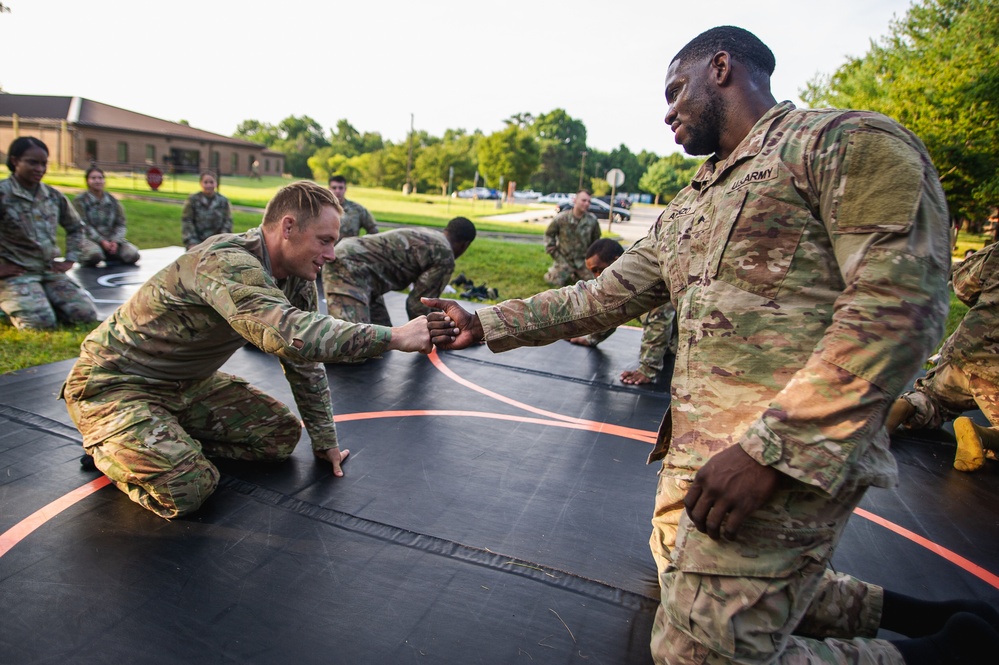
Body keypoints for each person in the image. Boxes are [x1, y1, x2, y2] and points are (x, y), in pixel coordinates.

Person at [425, 26, 999, 665]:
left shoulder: (844, 145)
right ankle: (925, 620)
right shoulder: (697, 199)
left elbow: (898, 311)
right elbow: (601, 296)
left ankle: (939, 656)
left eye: (675, 90)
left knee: (693, 656)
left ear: (721, 67)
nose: (667, 111)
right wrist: (485, 320)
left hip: (782, 460)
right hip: (697, 459)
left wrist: (767, 453)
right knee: (684, 586)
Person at [62, 181, 433, 519]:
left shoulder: (295, 279)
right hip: (114, 384)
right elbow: (289, 334)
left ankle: (156, 437)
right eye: (324, 240)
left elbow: (303, 361)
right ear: (288, 228)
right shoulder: (226, 261)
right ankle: (111, 447)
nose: (332, 254)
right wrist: (394, 336)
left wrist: (325, 442)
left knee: (279, 437)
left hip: (183, 384)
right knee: (188, 487)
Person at [887, 242, 999, 472]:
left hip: (962, 354)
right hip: (994, 374)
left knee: (933, 399)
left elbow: (962, 286)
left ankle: (902, 408)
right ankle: (982, 437)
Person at [0, 136, 99, 330]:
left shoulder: (53, 196)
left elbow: (76, 227)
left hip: (48, 270)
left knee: (84, 315)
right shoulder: (3, 194)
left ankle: (39, 299)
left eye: (44, 164)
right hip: (16, 273)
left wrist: (70, 260)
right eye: (32, 162)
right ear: (14, 161)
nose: (39, 169)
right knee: (40, 324)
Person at [322, 217, 476, 326]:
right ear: (465, 245)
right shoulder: (445, 256)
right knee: (352, 344)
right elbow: (418, 305)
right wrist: (440, 334)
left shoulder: (434, 237)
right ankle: (305, 346)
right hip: (348, 267)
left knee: (381, 338)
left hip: (366, 274)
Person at [567, 239, 677, 385]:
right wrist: (592, 339)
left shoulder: (644, 275)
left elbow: (658, 321)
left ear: (616, 261)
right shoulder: (624, 275)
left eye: (598, 269)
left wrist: (647, 370)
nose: (596, 276)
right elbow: (614, 310)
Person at [73, 166, 141, 267]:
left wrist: (115, 241)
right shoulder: (80, 201)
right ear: (87, 181)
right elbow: (83, 225)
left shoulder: (113, 201)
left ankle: (111, 253)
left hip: (111, 240)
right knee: (94, 256)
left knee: (133, 255)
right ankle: (88, 254)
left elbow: (121, 224)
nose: (97, 181)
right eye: (93, 178)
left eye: (100, 178)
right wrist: (101, 241)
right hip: (89, 240)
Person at [543, 190, 602, 286]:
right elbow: (549, 235)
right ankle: (560, 273)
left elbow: (596, 242)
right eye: (583, 200)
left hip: (582, 261)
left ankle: (576, 275)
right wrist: (554, 253)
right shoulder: (561, 218)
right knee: (555, 281)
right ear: (575, 200)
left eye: (589, 201)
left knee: (591, 284)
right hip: (564, 260)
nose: (586, 203)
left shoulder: (592, 221)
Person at [182, 170, 232, 249]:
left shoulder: (223, 201)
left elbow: (227, 222)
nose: (208, 185)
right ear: (201, 183)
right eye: (205, 182)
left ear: (216, 183)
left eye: (211, 182)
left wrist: (222, 241)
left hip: (217, 242)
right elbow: (187, 221)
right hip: (197, 242)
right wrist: (192, 242)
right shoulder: (193, 200)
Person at [329, 174, 379, 241]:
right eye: (334, 188)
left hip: (349, 250)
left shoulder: (357, 209)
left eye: (340, 188)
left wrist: (362, 244)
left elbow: (373, 229)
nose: (337, 191)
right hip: (326, 250)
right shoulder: (323, 209)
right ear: (329, 189)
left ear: (345, 189)